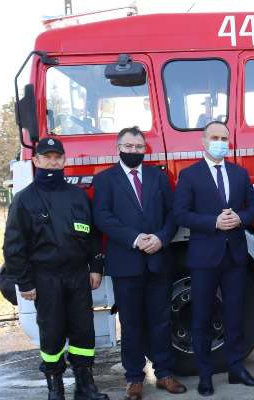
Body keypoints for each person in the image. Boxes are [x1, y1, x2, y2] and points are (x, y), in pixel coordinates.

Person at [3, 137, 109, 400]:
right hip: (45, 278)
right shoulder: (24, 199)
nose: (53, 162)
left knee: (83, 331)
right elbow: (14, 246)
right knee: (51, 333)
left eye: (57, 157)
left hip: (78, 276)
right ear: (36, 161)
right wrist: (25, 282)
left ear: (64, 160)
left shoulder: (77, 196)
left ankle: (85, 386)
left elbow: (93, 234)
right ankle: (56, 388)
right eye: (47, 157)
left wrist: (95, 267)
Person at [92, 127, 186, 399]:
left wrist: (162, 238)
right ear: (118, 147)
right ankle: (134, 378)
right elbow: (102, 217)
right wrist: (135, 239)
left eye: (138, 147)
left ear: (145, 149)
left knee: (161, 320)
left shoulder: (158, 177)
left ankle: (164, 374)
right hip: (126, 262)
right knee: (131, 323)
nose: (133, 151)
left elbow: (173, 214)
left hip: (158, 259)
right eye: (128, 146)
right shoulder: (105, 180)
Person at [173, 121, 254, 396]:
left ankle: (236, 369)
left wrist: (240, 218)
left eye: (224, 138)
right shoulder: (190, 176)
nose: (220, 142)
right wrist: (213, 222)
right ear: (203, 141)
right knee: (201, 316)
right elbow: (180, 214)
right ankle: (205, 374)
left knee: (234, 314)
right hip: (204, 258)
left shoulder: (239, 173)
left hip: (234, 255)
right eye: (214, 137)